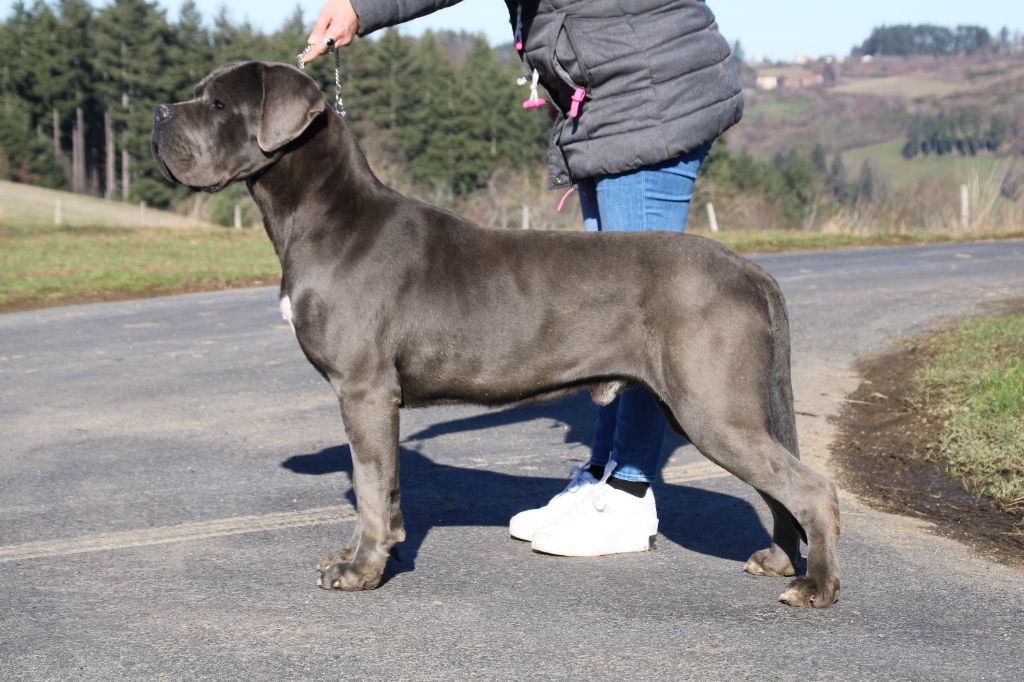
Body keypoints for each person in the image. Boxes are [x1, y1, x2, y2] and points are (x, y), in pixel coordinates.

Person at [305, 0, 743, 557]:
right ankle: (603, 477)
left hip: (646, 94)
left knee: (640, 320)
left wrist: (361, 8)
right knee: (606, 319)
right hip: (607, 98)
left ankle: (630, 493)